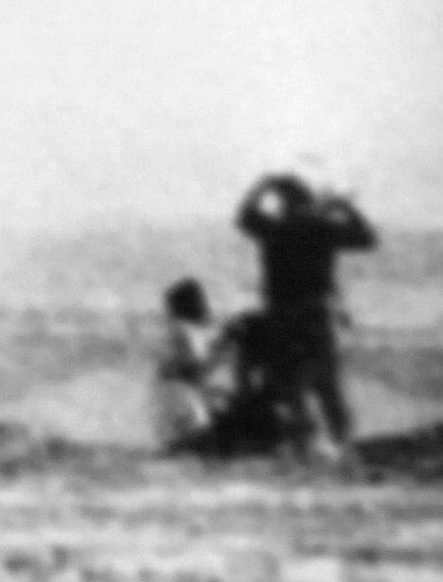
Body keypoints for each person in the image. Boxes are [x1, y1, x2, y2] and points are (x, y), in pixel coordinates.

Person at [232, 165, 379, 458]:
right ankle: (343, 445)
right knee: (328, 386)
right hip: (316, 316)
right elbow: (368, 238)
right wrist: (344, 206)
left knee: (292, 390)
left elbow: (243, 217)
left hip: (281, 317)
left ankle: (304, 448)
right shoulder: (321, 228)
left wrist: (262, 186)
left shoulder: (274, 229)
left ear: (282, 203)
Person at [150, 278, 230, 452]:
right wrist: (223, 348)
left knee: (181, 440)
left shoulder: (178, 329)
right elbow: (196, 365)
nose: (205, 306)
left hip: (171, 392)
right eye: (200, 302)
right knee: (194, 439)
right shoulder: (186, 330)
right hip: (180, 393)